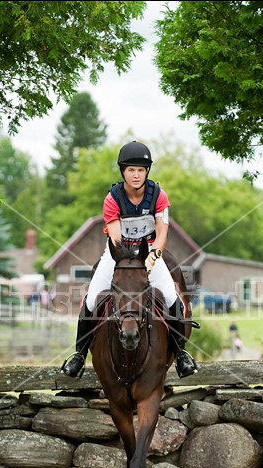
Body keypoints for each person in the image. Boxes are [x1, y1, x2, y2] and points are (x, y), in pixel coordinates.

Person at [61, 141, 198, 379]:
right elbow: (116, 239)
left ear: (147, 172)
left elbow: (162, 232)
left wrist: (153, 257)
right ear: (123, 171)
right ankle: (79, 356)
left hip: (149, 254)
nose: (136, 175)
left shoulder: (158, 195)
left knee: (172, 297)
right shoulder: (112, 198)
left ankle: (182, 354)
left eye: (141, 170)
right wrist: (128, 263)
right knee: (92, 299)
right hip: (118, 255)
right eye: (131, 170)